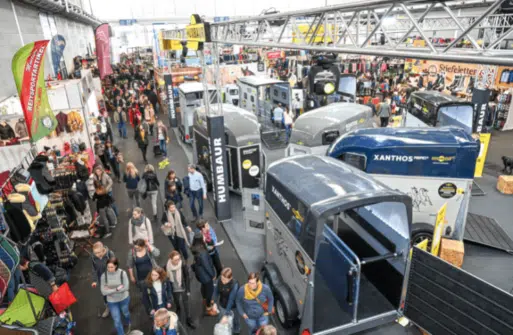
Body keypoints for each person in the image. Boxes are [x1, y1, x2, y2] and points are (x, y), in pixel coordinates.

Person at [100, 258, 131, 335]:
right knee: (117, 320)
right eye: (108, 267)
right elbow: (103, 292)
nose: (109, 269)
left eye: (111, 267)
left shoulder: (122, 273)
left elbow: (126, 287)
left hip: (124, 298)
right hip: (112, 301)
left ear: (116, 266)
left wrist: (110, 290)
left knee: (125, 313)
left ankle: (128, 322)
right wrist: (117, 289)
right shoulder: (104, 276)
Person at [166, 251, 196, 329]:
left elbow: (187, 277)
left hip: (182, 287)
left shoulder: (183, 265)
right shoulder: (166, 266)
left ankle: (188, 318)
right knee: (176, 301)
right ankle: (178, 309)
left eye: (179, 259)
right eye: (175, 260)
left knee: (186, 302)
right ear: (171, 259)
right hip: (174, 289)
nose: (178, 261)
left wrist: (188, 289)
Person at [190, 232, 218, 316]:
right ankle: (208, 307)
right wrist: (213, 275)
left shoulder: (194, 248)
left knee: (204, 287)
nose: (205, 238)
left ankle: (205, 299)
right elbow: (207, 265)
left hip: (200, 274)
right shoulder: (202, 252)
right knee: (210, 290)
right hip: (206, 275)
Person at [127, 239, 159, 305]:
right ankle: (149, 307)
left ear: (143, 246)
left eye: (138, 248)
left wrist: (149, 245)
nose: (136, 249)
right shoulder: (132, 252)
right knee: (144, 293)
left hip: (152, 275)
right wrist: (131, 276)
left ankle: (156, 303)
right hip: (141, 277)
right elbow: (130, 265)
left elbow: (157, 253)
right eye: (135, 247)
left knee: (155, 290)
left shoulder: (148, 248)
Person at [91, 242, 115, 318]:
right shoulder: (93, 257)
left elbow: (115, 266)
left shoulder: (109, 254)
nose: (97, 255)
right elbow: (94, 269)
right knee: (104, 295)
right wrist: (95, 281)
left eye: (98, 252)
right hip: (101, 280)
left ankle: (116, 306)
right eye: (95, 253)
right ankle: (108, 307)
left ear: (103, 249)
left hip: (111, 279)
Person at [213, 268, 241, 334]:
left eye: (225, 280)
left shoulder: (234, 285)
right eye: (222, 278)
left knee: (235, 320)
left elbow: (231, 300)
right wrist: (214, 302)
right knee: (221, 319)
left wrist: (226, 315)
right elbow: (216, 291)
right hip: (223, 303)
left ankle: (236, 331)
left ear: (230, 278)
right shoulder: (219, 279)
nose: (223, 281)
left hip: (234, 305)